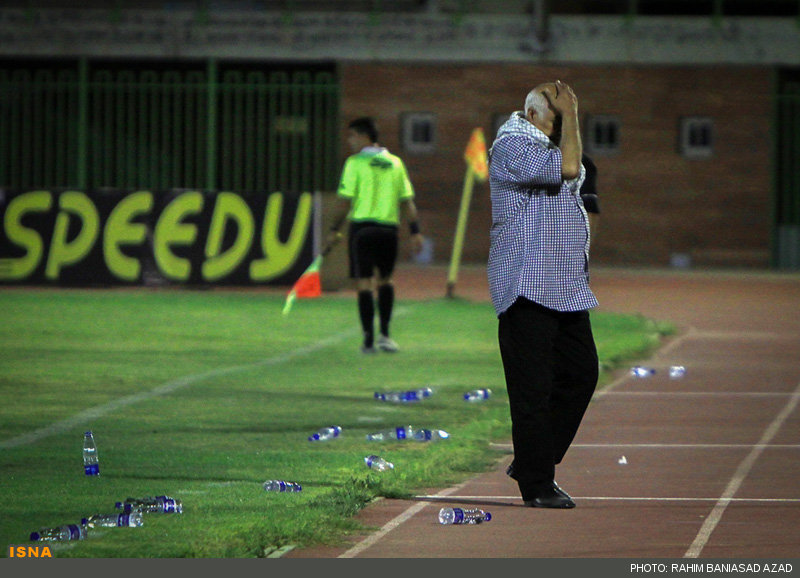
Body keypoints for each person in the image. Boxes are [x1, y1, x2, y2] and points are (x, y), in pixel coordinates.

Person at [487, 80, 599, 509]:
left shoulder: (553, 144)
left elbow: (574, 167)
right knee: (531, 388)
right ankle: (536, 484)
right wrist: (572, 116)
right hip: (527, 282)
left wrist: (568, 116)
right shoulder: (512, 143)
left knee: (582, 373)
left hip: (566, 284)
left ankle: (533, 458)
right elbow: (570, 170)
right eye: (559, 114)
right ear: (535, 115)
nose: (566, 121)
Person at [327, 117, 424, 354]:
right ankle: (385, 336)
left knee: (364, 283)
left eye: (352, 136)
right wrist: (415, 233)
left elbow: (344, 201)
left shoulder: (354, 164)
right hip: (388, 231)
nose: (349, 141)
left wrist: (334, 230)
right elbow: (407, 202)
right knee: (386, 281)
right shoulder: (395, 163)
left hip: (362, 230)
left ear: (363, 136)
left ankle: (368, 340)